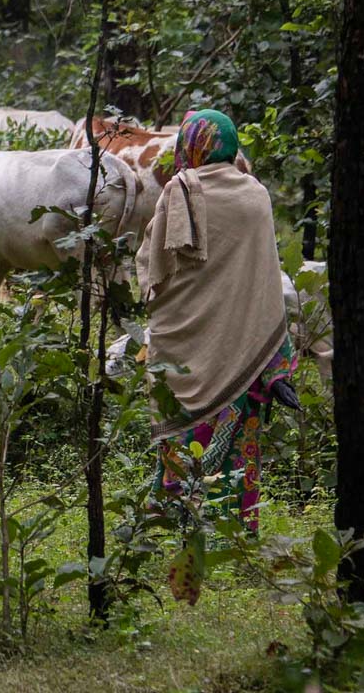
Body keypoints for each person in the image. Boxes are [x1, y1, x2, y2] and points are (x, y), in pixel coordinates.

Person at [135, 109, 297, 534]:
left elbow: (153, 271)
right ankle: (237, 531)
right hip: (242, 345)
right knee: (240, 446)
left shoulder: (179, 194)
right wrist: (278, 359)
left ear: (189, 146)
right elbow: (265, 278)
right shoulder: (256, 195)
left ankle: (177, 519)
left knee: (182, 436)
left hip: (182, 346)